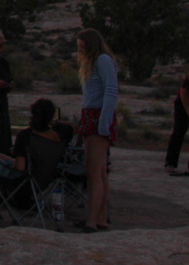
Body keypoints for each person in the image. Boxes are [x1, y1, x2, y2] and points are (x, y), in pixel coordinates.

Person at [0, 98, 75, 209]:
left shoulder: (25, 135)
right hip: (46, 182)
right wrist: (55, 123)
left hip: (25, 184)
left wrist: (16, 156)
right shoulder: (63, 133)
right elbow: (75, 127)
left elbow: (20, 168)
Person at [77, 28, 119, 232]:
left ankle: (91, 220)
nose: (80, 49)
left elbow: (111, 91)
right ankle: (100, 217)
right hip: (90, 116)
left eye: (83, 45)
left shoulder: (103, 60)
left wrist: (104, 123)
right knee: (100, 171)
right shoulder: (90, 62)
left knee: (94, 172)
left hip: (98, 117)